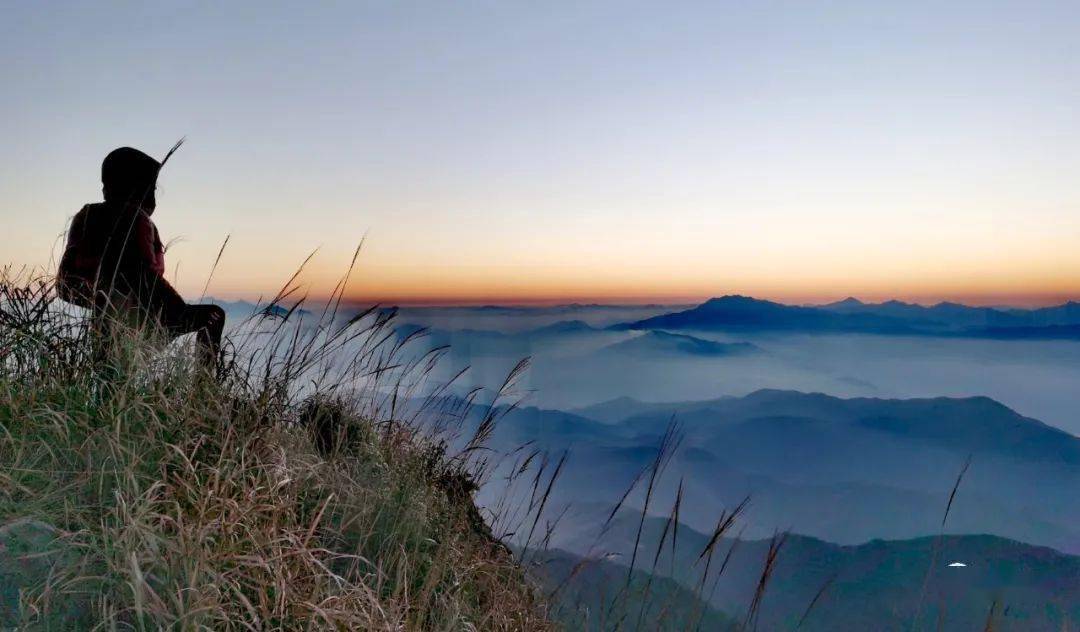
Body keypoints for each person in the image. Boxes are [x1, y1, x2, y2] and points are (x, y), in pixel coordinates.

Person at [58, 145, 225, 371]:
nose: (154, 196)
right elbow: (141, 274)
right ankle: (204, 392)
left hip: (104, 323)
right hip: (141, 319)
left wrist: (103, 302)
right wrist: (174, 312)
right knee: (213, 316)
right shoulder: (136, 219)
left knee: (110, 386)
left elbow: (64, 284)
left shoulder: (86, 217)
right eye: (152, 188)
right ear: (138, 188)